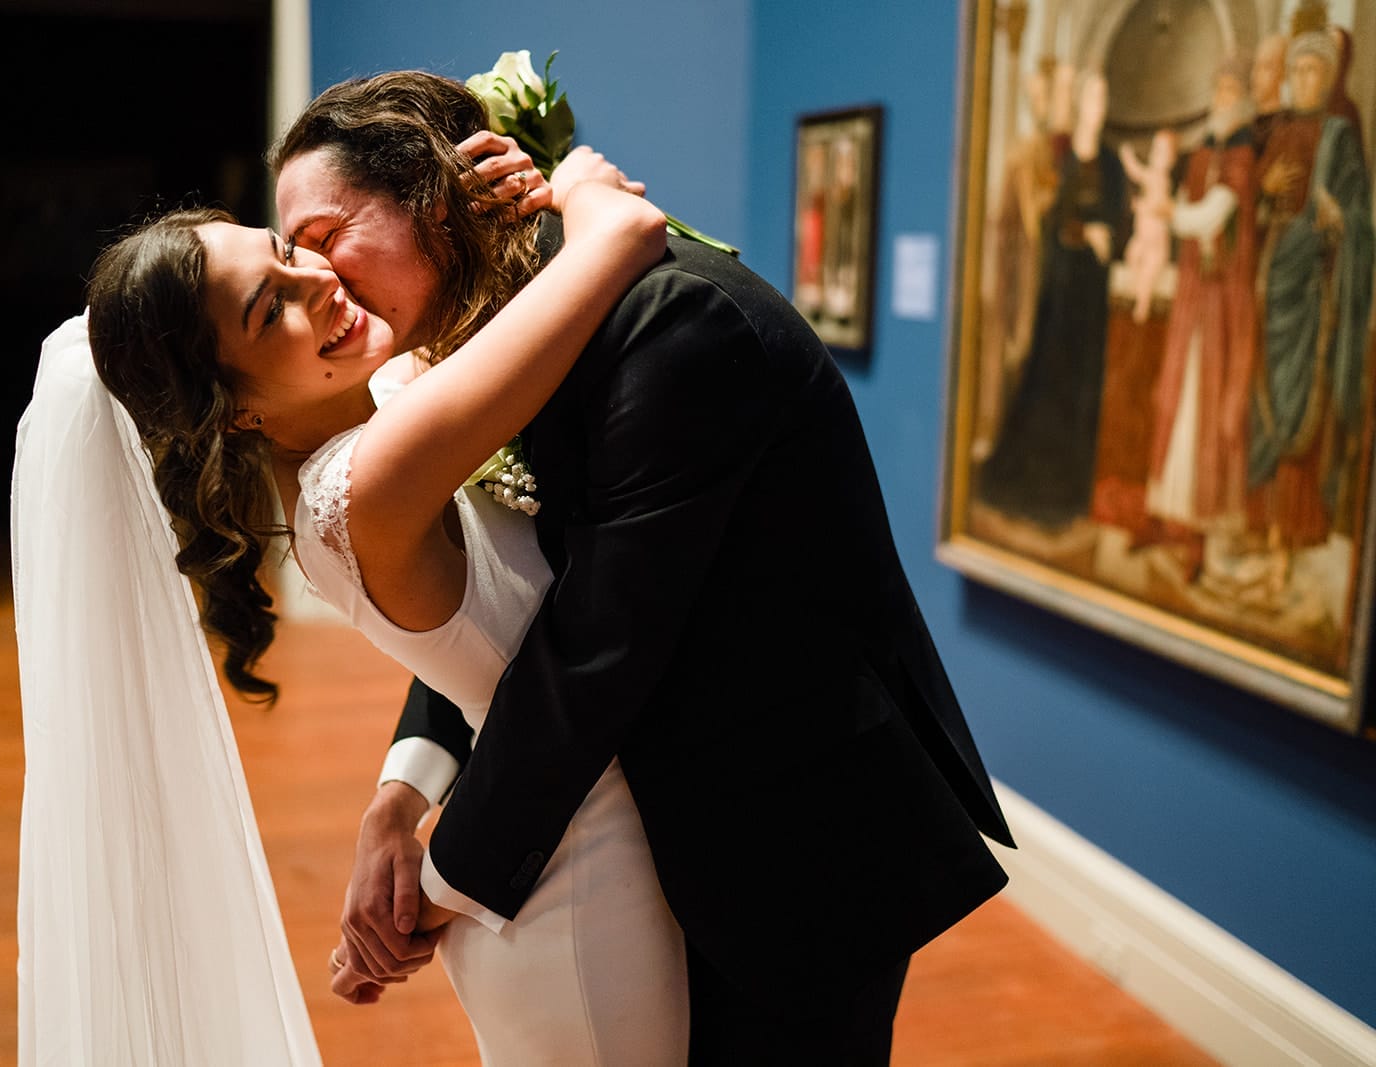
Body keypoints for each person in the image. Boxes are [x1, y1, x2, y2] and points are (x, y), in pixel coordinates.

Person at [273, 71, 1015, 1064]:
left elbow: (594, 642)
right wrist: (401, 790)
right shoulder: (509, 327)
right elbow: (514, 592)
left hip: (793, 835)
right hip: (654, 824)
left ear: (431, 192)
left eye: (324, 239)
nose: (321, 285)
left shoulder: (676, 321)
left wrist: (437, 881)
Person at [15, 126, 677, 1063]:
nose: (318, 283)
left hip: (557, 839)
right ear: (234, 409)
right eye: (270, 310)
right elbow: (621, 241)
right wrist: (572, 184)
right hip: (578, 892)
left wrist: (395, 801)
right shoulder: (371, 481)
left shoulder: (381, 410)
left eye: (290, 251)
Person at [1249, 29, 1374, 591]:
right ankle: (1262, 536)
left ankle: (1288, 546)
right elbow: (1249, 214)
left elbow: (1361, 219)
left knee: (1302, 412)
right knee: (1264, 407)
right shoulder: (1273, 130)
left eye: (1314, 72)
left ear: (1328, 80)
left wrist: (1339, 219)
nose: (1305, 80)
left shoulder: (1340, 137)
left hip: (1310, 295)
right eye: (1297, 71)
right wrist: (1262, 191)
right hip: (1270, 285)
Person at [977, 70, 1125, 530]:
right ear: (1080, 103)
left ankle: (1067, 498)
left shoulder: (1111, 162)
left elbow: (1122, 223)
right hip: (1058, 291)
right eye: (1091, 97)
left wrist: (1108, 236)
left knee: (1082, 390)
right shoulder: (1059, 158)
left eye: (1104, 97)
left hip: (1090, 297)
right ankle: (1033, 491)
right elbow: (1047, 220)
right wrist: (1085, 232)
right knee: (1049, 385)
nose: (1097, 106)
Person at [1141, 58, 1258, 580]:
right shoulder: (1203, 150)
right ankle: (1163, 514)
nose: (1224, 96)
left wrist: (1173, 216)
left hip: (1220, 306)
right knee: (1172, 401)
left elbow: (1216, 212)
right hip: (1193, 297)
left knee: (1207, 415)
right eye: (1220, 87)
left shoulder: (1242, 153)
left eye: (1233, 88)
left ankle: (1197, 539)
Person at [1118, 128, 1178, 325]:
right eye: (1154, 149)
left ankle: (1142, 302)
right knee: (1132, 255)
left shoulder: (1160, 179)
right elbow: (1137, 173)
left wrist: (1141, 206)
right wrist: (1127, 157)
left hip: (1155, 240)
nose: (1154, 155)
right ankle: (1136, 290)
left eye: (1160, 152)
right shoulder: (1153, 175)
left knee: (1150, 271)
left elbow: (1156, 205)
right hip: (1142, 237)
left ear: (1171, 160)